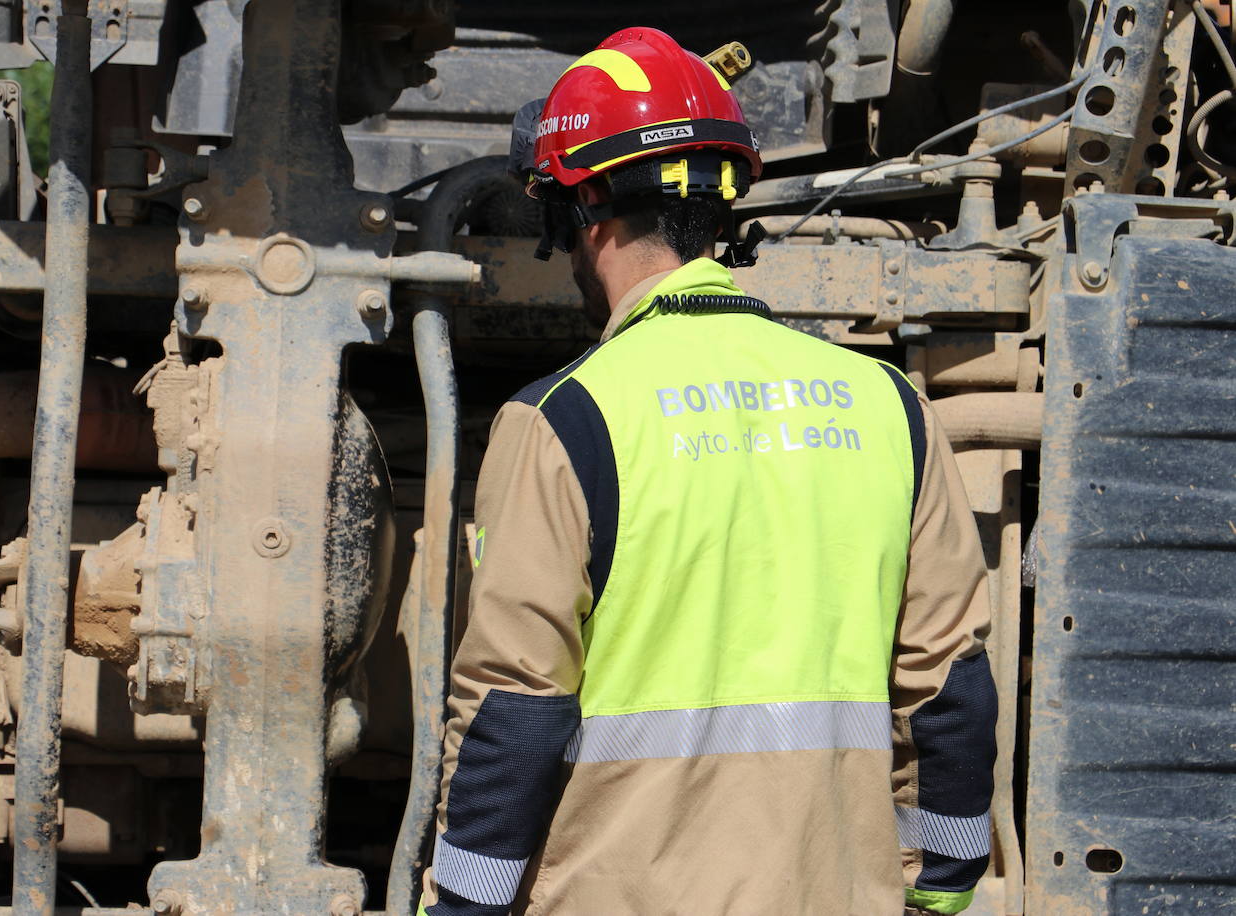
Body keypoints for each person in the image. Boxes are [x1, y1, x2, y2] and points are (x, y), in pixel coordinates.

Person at [418, 26, 996, 916]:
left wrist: (461, 905)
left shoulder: (562, 421)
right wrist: (941, 890)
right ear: (721, 205)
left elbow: (517, 710)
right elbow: (950, 687)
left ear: (585, 212)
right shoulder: (887, 405)